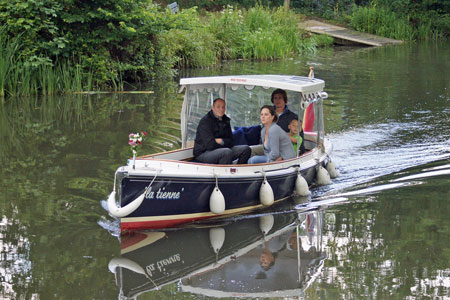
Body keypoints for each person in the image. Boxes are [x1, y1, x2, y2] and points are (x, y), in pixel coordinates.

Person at [193, 98, 251, 164]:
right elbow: (210, 145)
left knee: (246, 149)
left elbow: (231, 141)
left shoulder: (226, 120)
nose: (221, 109)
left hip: (223, 149)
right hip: (203, 153)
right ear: (212, 108)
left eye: (223, 107)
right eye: (218, 107)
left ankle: (238, 170)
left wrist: (221, 141)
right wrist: (224, 143)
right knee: (226, 152)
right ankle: (226, 173)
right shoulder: (205, 121)